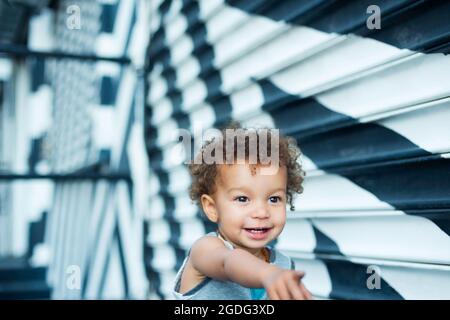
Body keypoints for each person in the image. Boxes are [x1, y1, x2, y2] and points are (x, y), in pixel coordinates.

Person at [172, 123, 312, 300]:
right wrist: (267, 274)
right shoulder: (205, 250)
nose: (261, 212)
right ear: (212, 208)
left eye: (274, 199)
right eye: (242, 199)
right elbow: (227, 262)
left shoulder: (283, 265)